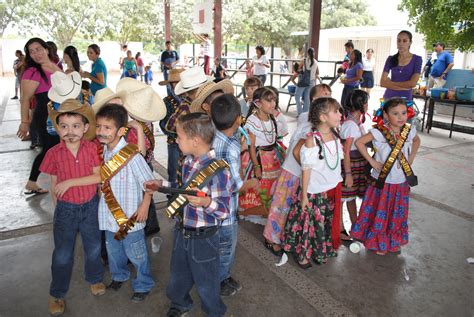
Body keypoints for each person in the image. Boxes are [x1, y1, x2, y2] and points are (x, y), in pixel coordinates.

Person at [145, 113, 232, 317]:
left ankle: (214, 311)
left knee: (206, 281)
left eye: (179, 137)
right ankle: (180, 302)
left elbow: (224, 210)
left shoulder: (218, 171)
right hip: (182, 230)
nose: (176, 140)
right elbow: (183, 190)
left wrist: (206, 202)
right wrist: (162, 186)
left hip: (204, 237)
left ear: (195, 141)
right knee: (178, 274)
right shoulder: (188, 162)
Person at [40, 99, 104, 316]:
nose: (70, 132)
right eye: (64, 126)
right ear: (57, 128)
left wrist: (70, 183)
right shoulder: (53, 153)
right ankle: (57, 293)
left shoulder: (92, 148)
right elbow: (53, 183)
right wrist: (58, 208)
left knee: (93, 246)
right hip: (65, 210)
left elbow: (99, 176)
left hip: (90, 207)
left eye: (76, 126)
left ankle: (94, 278)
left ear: (86, 128)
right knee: (62, 254)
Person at [95, 103, 155, 302]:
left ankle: (143, 283)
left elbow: (150, 183)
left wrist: (145, 204)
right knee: (114, 252)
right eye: (99, 127)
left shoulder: (131, 155)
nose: (101, 132)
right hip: (109, 217)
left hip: (131, 217)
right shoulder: (104, 151)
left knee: (137, 254)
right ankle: (119, 275)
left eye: (107, 128)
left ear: (121, 131)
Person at [263, 84, 332, 255]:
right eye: (324, 96)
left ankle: (286, 237)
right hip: (294, 172)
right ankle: (271, 238)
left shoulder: (308, 118)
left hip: (302, 174)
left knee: (291, 207)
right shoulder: (309, 125)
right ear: (314, 102)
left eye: (330, 96)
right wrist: (309, 170)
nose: (329, 99)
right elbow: (296, 151)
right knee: (282, 206)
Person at [351, 98, 421, 255]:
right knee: (380, 211)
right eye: (395, 113)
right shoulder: (379, 132)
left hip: (401, 182)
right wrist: (372, 161)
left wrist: (411, 158)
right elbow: (359, 143)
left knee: (396, 213)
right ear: (386, 115)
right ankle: (378, 242)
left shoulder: (409, 131)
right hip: (382, 182)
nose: (401, 117)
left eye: (403, 113)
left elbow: (417, 141)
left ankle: (393, 241)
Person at [283, 97, 343, 269]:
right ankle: (303, 255)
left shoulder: (335, 136)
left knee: (321, 225)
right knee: (308, 226)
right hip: (313, 192)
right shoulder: (312, 140)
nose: (340, 114)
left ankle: (318, 251)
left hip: (329, 190)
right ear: (323, 117)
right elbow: (306, 169)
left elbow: (334, 165)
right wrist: (304, 197)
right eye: (336, 111)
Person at [210, 94, 258, 297]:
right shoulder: (232, 146)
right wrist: (252, 183)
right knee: (226, 247)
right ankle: (221, 280)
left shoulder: (209, 135)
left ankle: (214, 275)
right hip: (226, 210)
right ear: (238, 119)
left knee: (213, 244)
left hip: (208, 205)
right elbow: (236, 185)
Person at [17, 37, 62, 195]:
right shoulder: (32, 71)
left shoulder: (56, 66)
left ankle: (33, 182)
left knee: (57, 149)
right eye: (31, 51)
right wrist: (24, 122)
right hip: (45, 117)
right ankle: (34, 181)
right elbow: (25, 99)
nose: (36, 53)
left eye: (38, 49)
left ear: (47, 49)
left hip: (62, 115)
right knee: (49, 150)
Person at [239, 87, 286, 224]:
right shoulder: (252, 121)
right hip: (259, 158)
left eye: (274, 100)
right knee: (260, 186)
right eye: (269, 101)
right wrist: (256, 166)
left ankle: (267, 212)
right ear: (258, 103)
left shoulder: (272, 117)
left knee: (270, 186)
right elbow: (251, 146)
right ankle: (252, 211)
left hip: (272, 156)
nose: (273, 104)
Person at [340, 90, 369, 240]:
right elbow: (345, 151)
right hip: (350, 164)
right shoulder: (350, 125)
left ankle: (355, 226)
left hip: (357, 163)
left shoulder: (355, 122)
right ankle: (340, 229)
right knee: (343, 198)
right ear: (363, 105)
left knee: (350, 197)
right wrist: (349, 174)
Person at [380, 30, 422, 101]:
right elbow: (382, 83)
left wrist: (391, 83)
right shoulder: (391, 59)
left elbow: (412, 83)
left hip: (405, 98)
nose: (401, 43)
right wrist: (405, 86)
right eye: (398, 40)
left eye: (404, 41)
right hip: (389, 97)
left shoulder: (417, 59)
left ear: (410, 43)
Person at [159, 69, 184, 185]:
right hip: (174, 142)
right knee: (173, 172)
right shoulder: (167, 101)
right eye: (174, 83)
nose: (176, 86)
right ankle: (173, 196)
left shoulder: (192, 100)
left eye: (178, 83)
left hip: (191, 142)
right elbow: (163, 124)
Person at [295, 47, 319, 115]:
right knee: (307, 99)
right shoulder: (316, 62)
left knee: (297, 96)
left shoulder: (304, 60)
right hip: (312, 82)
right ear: (314, 53)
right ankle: (304, 115)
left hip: (303, 81)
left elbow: (298, 70)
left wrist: (299, 70)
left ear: (307, 53)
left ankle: (300, 113)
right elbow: (317, 73)